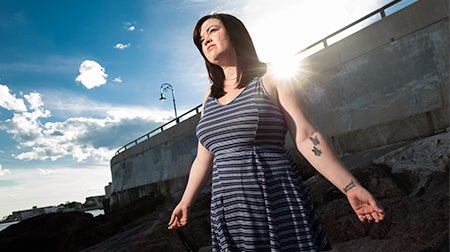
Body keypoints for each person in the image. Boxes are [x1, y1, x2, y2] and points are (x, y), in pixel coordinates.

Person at [168, 13, 385, 251]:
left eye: (212, 31)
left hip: (275, 199)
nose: (205, 40)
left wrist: (350, 187)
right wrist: (186, 202)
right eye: (200, 39)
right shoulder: (209, 96)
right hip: (228, 211)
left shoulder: (270, 79)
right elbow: (203, 158)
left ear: (234, 33)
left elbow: (305, 135)